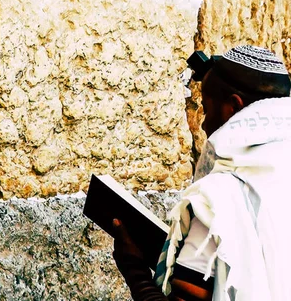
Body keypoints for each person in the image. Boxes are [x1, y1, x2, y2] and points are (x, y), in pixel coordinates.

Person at [112, 45, 291, 300]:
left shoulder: (218, 203)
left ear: (234, 106)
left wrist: (134, 269)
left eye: (206, 109)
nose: (204, 124)